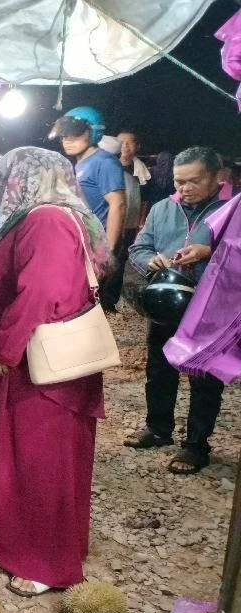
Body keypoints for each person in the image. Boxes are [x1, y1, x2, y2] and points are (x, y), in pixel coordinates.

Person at [0, 146, 110, 597]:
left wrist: (4, 344)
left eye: (4, 177)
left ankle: (47, 562)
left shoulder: (46, 219)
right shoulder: (49, 218)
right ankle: (16, 526)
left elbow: (44, 290)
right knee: (24, 454)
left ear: (24, 178)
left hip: (37, 364)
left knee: (41, 460)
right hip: (29, 361)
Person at [126, 146, 228, 474]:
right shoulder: (161, 209)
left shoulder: (232, 213)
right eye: (178, 182)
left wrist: (209, 252)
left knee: (204, 377)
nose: (183, 189)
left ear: (218, 178)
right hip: (166, 304)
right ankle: (158, 429)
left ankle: (196, 445)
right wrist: (148, 260)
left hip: (211, 307)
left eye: (193, 181)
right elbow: (139, 247)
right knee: (159, 368)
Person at [52, 107, 127, 251]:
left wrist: (107, 251)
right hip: (82, 242)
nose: (66, 138)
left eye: (75, 132)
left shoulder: (104, 161)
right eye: (63, 133)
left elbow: (118, 204)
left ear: (94, 132)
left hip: (98, 246)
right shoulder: (81, 163)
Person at [100, 130, 150, 310]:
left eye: (130, 143)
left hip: (130, 224)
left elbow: (145, 200)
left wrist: (141, 222)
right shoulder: (105, 166)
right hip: (106, 223)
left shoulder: (141, 171)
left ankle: (109, 300)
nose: (125, 146)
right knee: (101, 259)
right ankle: (93, 299)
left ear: (137, 147)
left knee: (120, 262)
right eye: (121, 142)